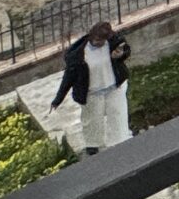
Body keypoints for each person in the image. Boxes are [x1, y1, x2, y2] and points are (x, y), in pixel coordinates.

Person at [49, 19, 132, 153]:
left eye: (104, 41)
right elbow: (69, 77)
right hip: (92, 92)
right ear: (92, 37)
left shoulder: (113, 42)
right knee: (92, 119)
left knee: (118, 114)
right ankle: (93, 144)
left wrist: (120, 55)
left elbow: (126, 50)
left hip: (114, 88)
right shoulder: (79, 54)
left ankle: (120, 141)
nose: (101, 44)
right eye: (99, 41)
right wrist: (58, 99)